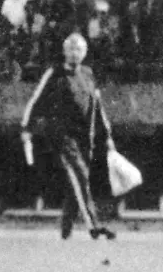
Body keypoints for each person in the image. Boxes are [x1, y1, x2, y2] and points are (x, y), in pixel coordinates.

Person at [21, 33, 117, 240]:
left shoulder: (88, 74)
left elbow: (97, 106)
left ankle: (66, 229)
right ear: (65, 51)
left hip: (85, 136)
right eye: (71, 49)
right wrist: (26, 128)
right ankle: (94, 226)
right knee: (80, 175)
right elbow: (36, 100)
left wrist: (107, 135)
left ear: (85, 52)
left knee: (78, 180)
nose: (75, 53)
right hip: (62, 135)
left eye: (79, 49)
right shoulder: (55, 73)